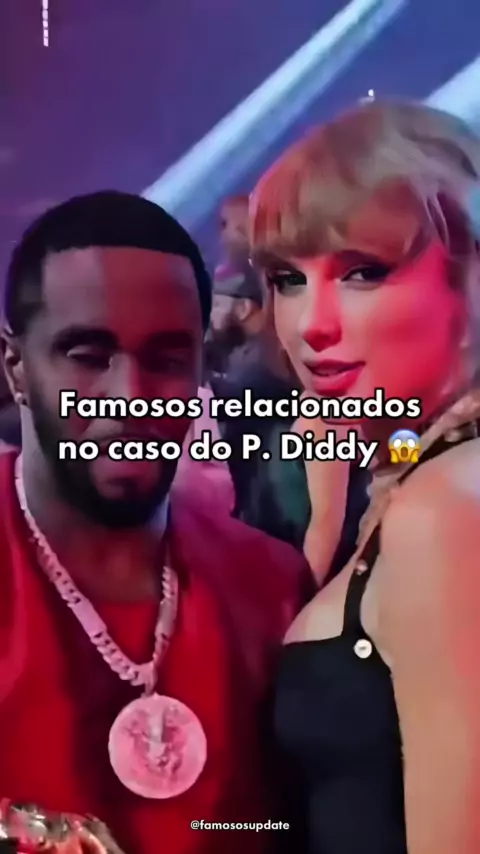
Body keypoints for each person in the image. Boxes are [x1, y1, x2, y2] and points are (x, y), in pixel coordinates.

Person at [0, 191, 309, 854]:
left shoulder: (273, 589)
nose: (130, 397)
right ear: (17, 368)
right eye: (88, 356)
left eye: (166, 360)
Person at [249, 100, 480, 854]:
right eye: (287, 279)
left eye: (362, 272)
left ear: (469, 276)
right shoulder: (423, 480)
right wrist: (327, 519)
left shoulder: (446, 511)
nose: (310, 324)